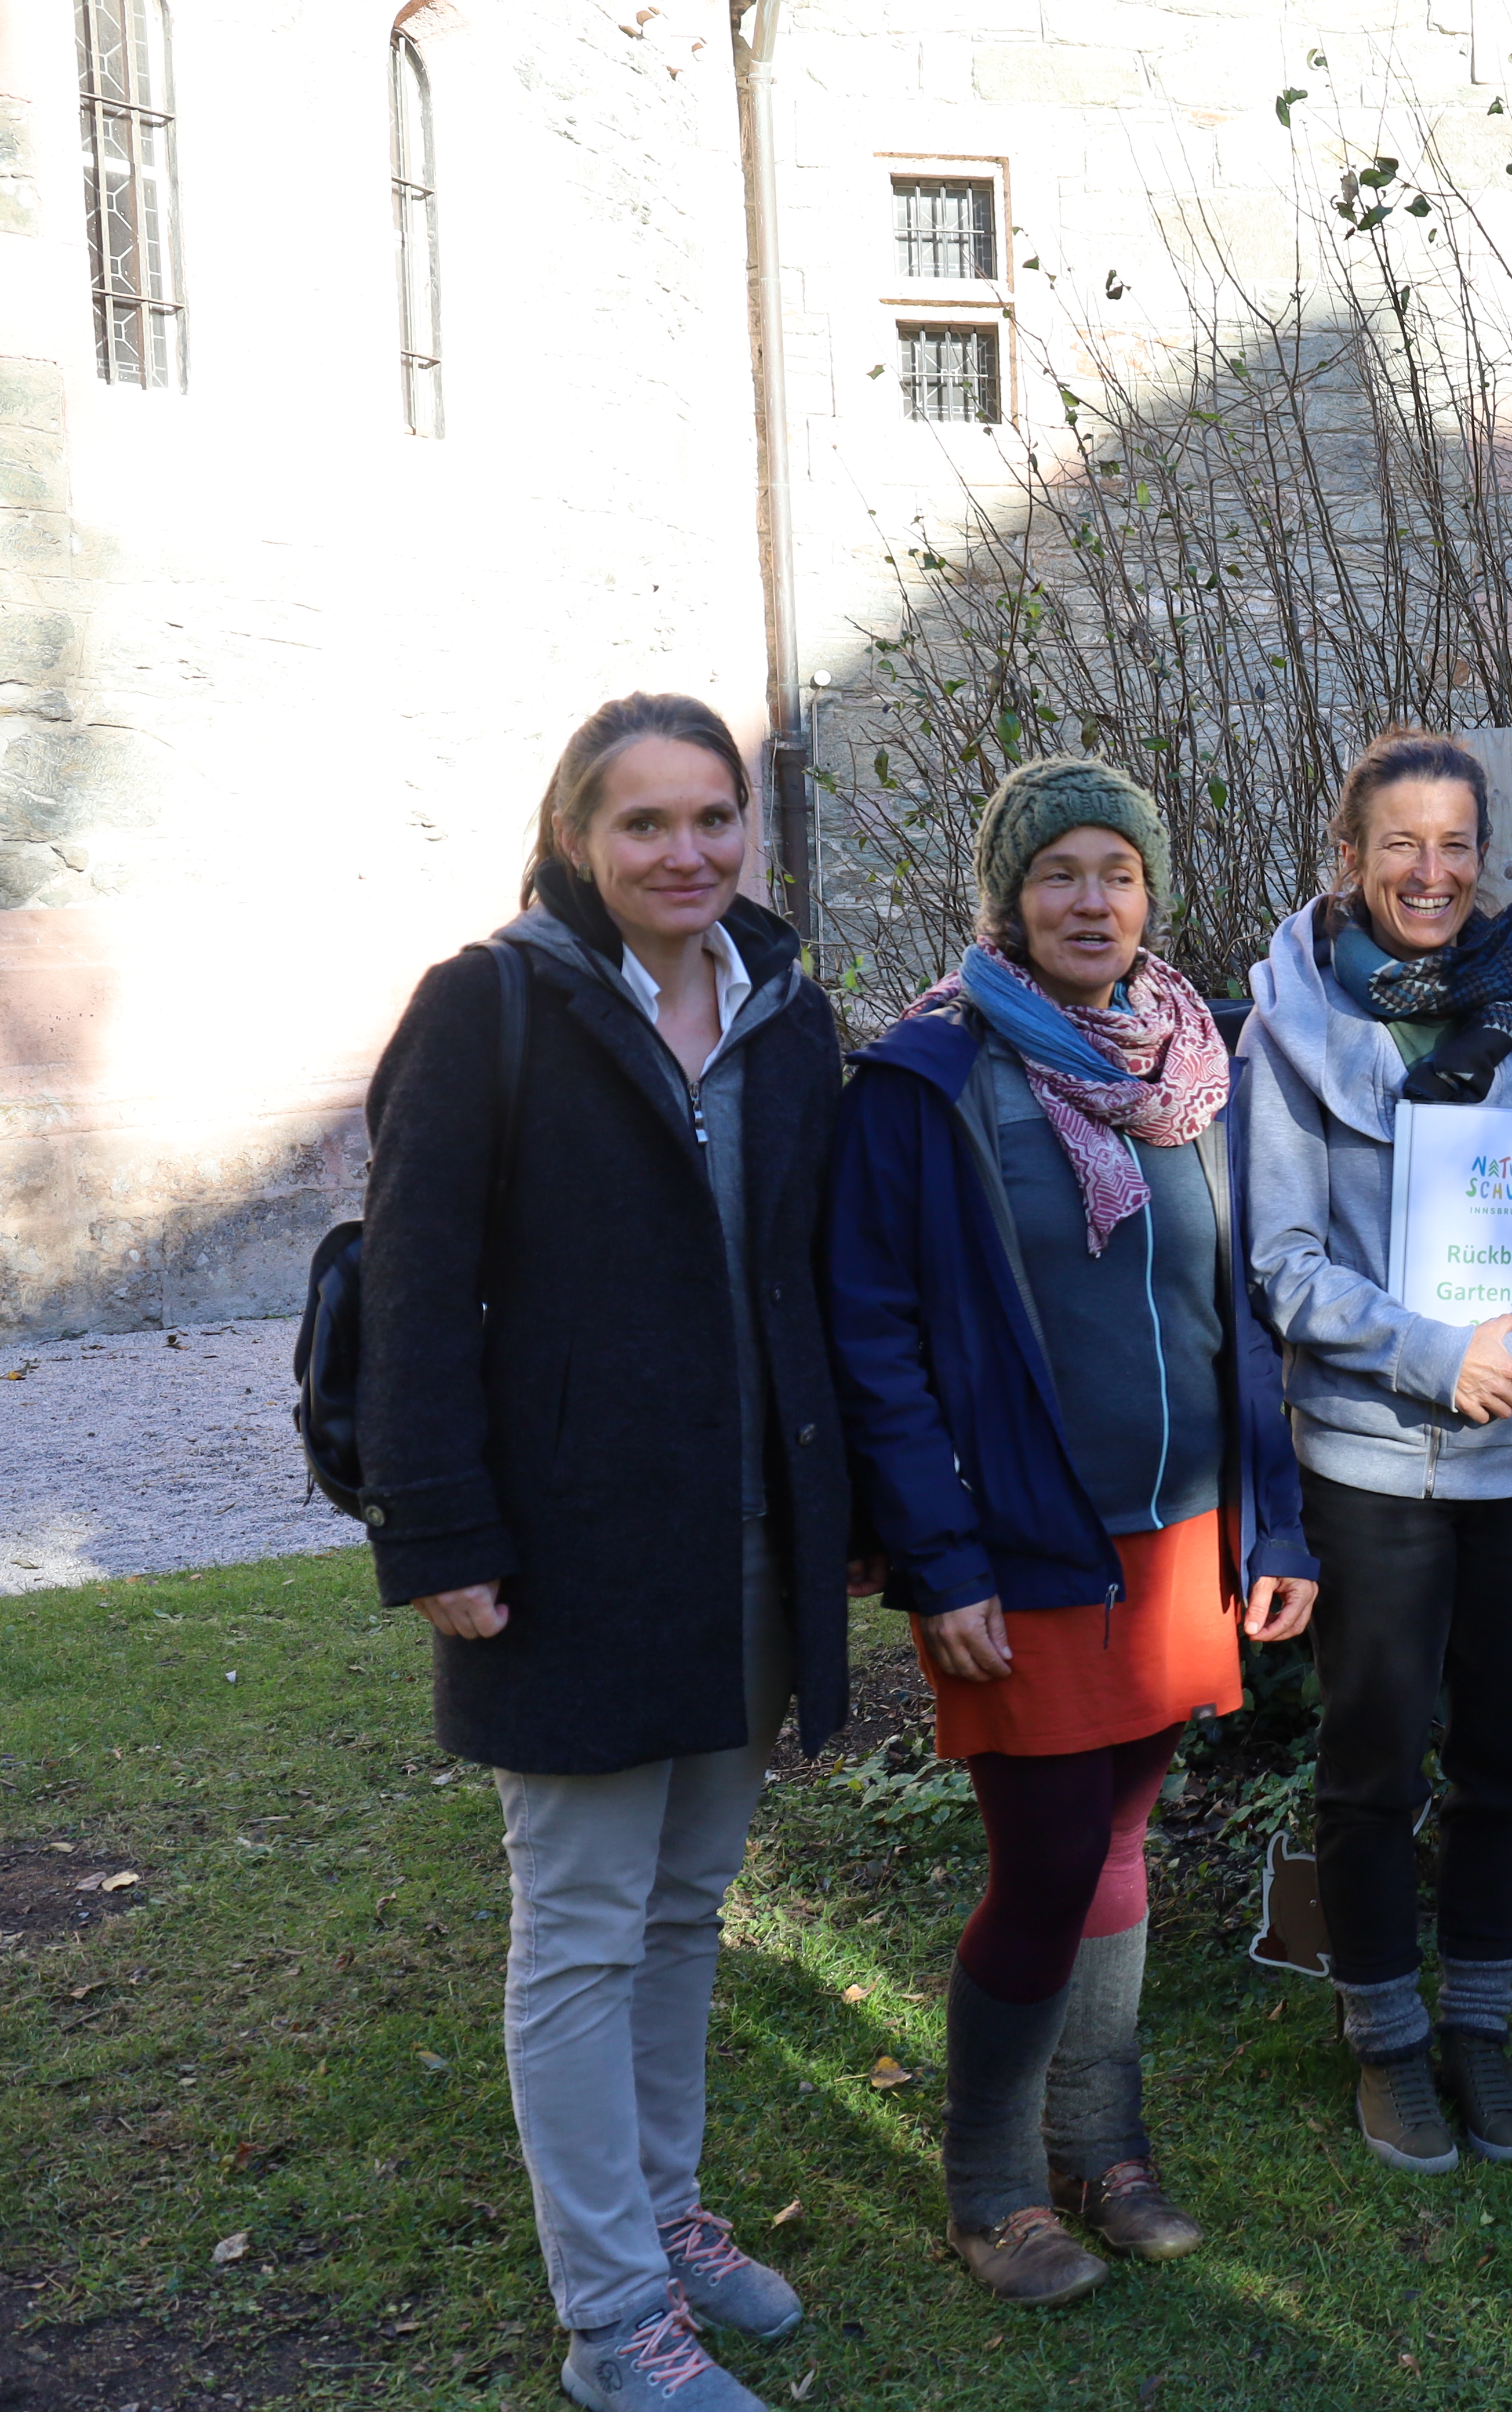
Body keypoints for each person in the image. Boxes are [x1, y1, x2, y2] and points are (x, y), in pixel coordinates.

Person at [356, 694, 855, 2412]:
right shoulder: (490, 1007)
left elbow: (809, 1288)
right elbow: (413, 1296)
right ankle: (613, 2324)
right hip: (565, 1561)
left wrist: (840, 1524)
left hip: (746, 1551)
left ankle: (662, 2212)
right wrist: (437, 1527)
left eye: (713, 818)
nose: (687, 853)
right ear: (578, 836)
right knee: (578, 1930)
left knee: (685, 1912)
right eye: (644, 824)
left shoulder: (792, 1018)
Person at [827, 758, 1318, 2305]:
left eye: (1116, 871)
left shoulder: (1196, 1065)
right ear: (1009, 900)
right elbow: (876, 1336)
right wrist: (939, 1558)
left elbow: (1236, 1309)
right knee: (1042, 1862)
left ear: (1150, 892)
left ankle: (1104, 2147)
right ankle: (989, 2188)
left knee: (1119, 1836)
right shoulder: (926, 1082)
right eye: (1058, 875)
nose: (1090, 900)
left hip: (1179, 1538)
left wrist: (1274, 1521)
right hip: (1019, 1548)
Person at [1240, 729, 1512, 2175]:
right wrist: (1436, 1354)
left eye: (1457, 845)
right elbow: (1282, 1263)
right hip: (1371, 1456)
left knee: (1508, 1756)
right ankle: (1388, 2041)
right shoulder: (1286, 1027)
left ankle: (1478, 2024)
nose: (1433, 873)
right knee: (1370, 1757)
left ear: (1487, 859)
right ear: (1347, 858)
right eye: (1401, 845)